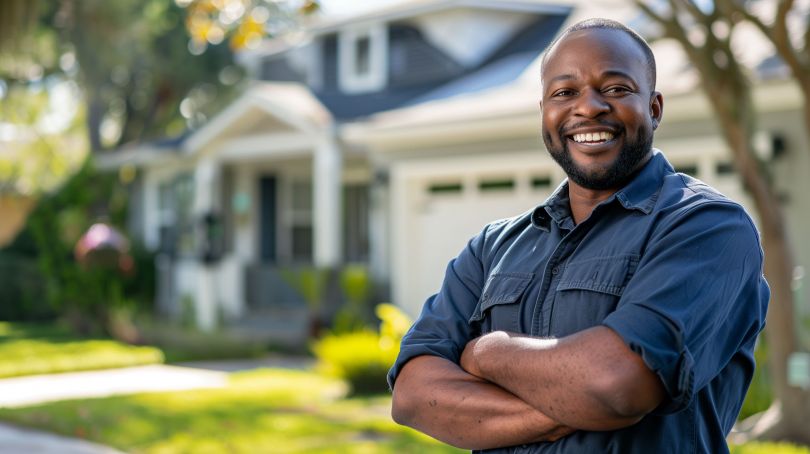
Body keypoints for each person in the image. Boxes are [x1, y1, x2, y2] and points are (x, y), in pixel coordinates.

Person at [387, 18, 770, 454]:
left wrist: (487, 353)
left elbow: (617, 386)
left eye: (616, 89)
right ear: (544, 112)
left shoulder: (706, 227)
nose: (588, 107)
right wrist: (562, 411)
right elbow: (414, 395)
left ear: (655, 108)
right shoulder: (491, 249)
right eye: (564, 92)